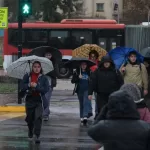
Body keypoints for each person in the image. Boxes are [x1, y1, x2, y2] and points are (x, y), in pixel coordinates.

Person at [21, 61, 49, 144]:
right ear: (32, 67)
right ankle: (30, 131)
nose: (37, 68)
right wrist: (29, 85)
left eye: (38, 67)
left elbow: (45, 90)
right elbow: (22, 87)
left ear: (41, 68)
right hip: (29, 100)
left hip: (39, 100)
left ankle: (37, 135)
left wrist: (37, 86)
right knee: (30, 119)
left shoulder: (44, 78)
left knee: (38, 118)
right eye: (35, 67)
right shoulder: (27, 76)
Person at [43, 52, 57, 121]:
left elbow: (55, 73)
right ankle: (46, 112)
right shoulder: (41, 63)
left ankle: (45, 114)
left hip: (49, 84)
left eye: (49, 55)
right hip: (42, 84)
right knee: (42, 99)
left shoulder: (53, 63)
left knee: (47, 99)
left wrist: (47, 71)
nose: (48, 56)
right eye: (46, 55)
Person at [89, 50, 99, 118]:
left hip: (96, 84)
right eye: (91, 56)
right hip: (88, 83)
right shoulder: (87, 63)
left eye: (94, 56)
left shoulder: (99, 63)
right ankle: (89, 112)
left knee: (97, 99)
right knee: (88, 99)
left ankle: (96, 113)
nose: (93, 58)